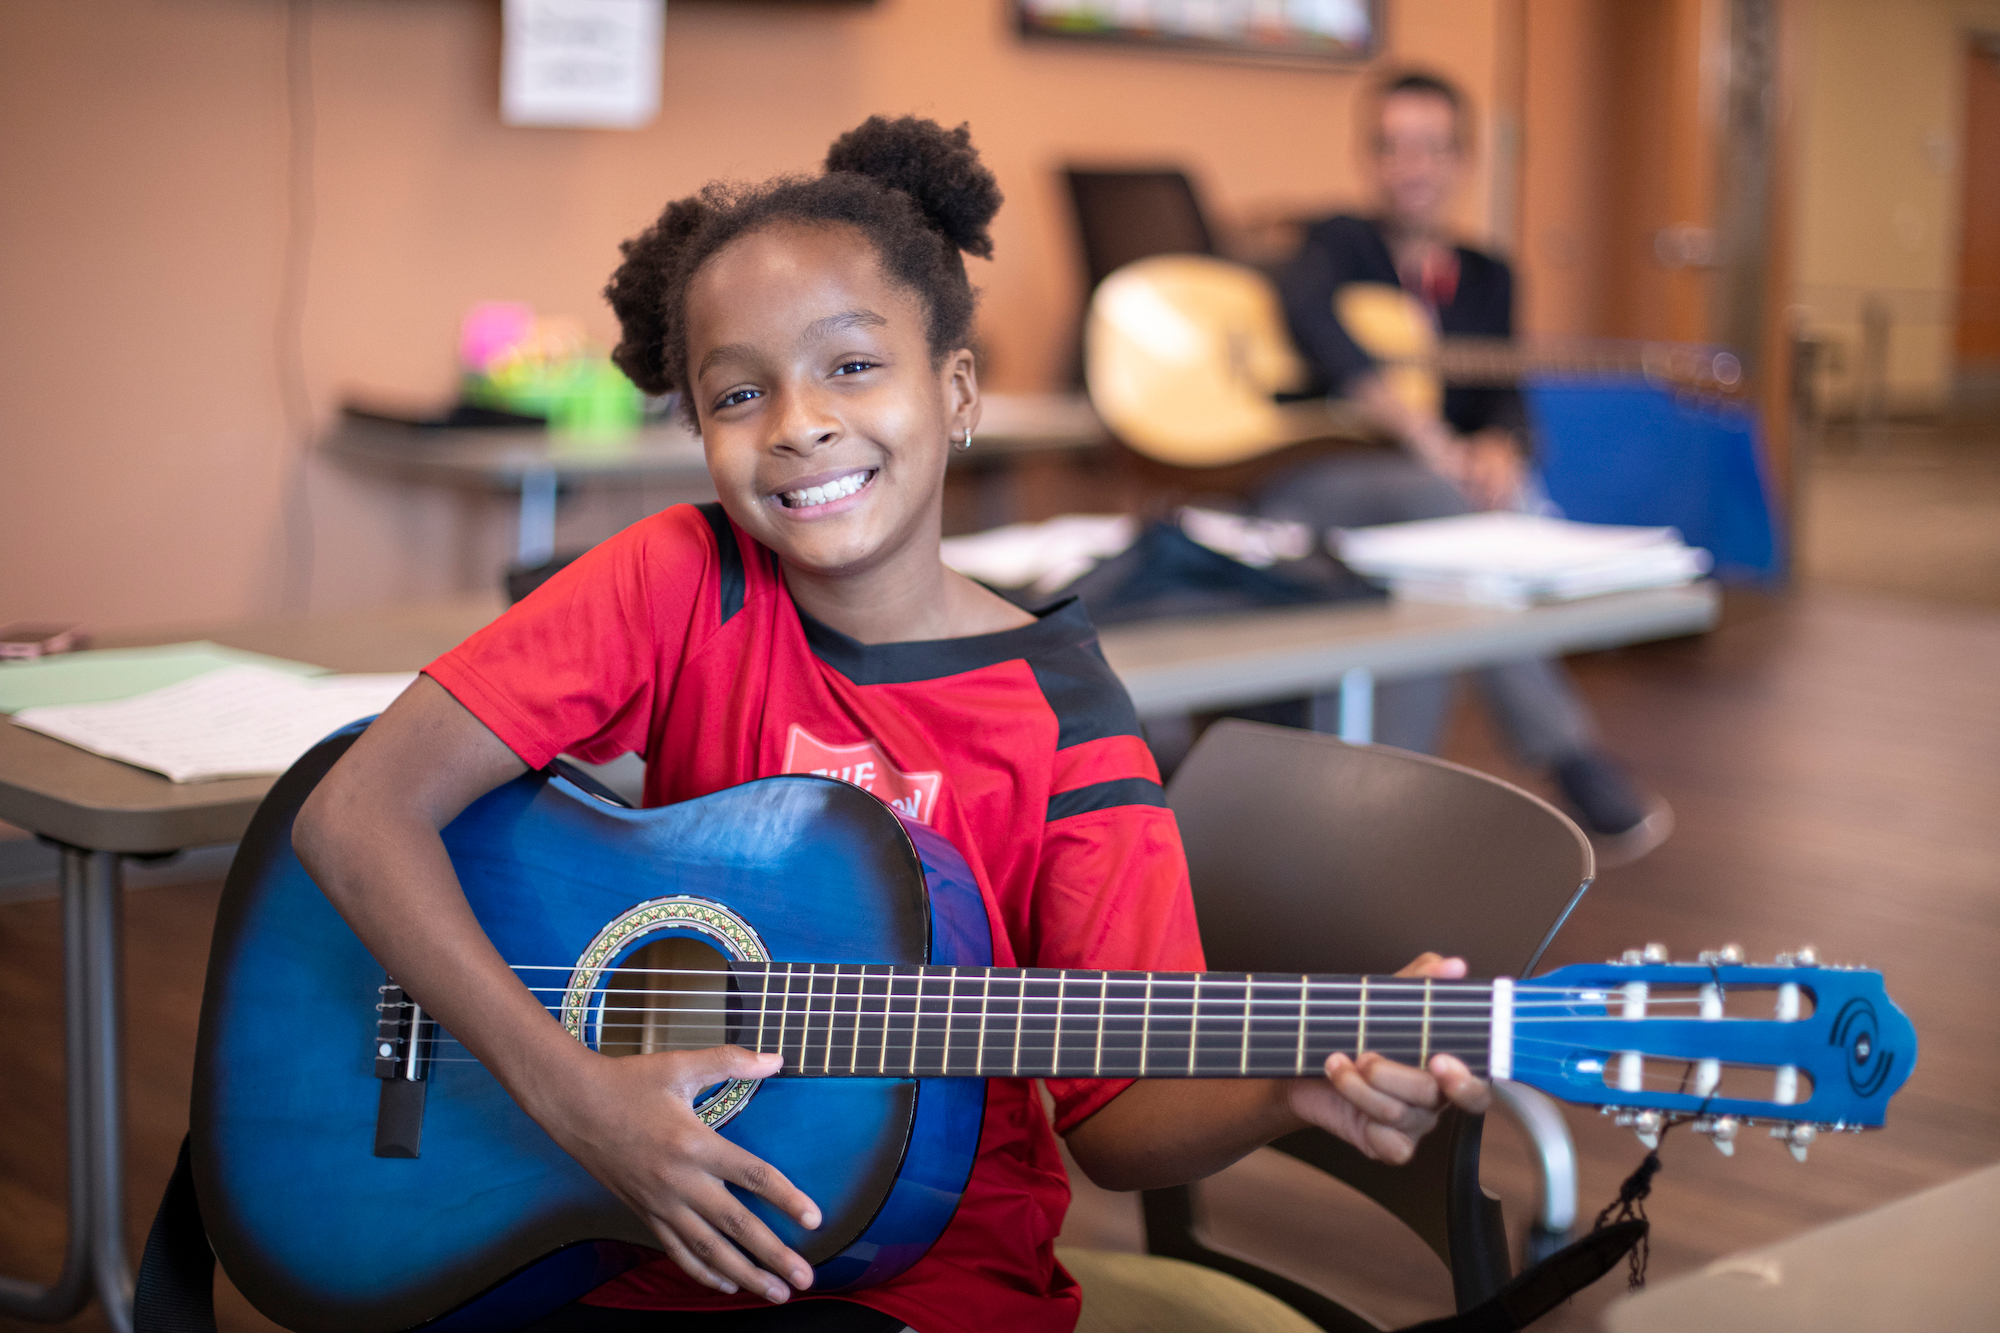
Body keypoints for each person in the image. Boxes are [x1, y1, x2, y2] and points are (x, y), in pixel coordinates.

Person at [291, 117, 1490, 1333]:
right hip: (599, 1222)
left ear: (954, 389)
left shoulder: (1064, 724)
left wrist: (1287, 1080)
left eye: (851, 366)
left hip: (919, 1271)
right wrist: (573, 1096)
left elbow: (1115, 1125)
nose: (798, 423)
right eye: (738, 392)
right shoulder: (679, 581)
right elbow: (356, 811)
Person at [1262, 71, 1672, 867]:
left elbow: (1504, 397)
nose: (1410, 165)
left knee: (1450, 540)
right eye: (1390, 146)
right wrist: (1423, 432)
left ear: (1462, 160)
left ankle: (1384, 815)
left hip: (1436, 502)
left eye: (1431, 146)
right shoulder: (1334, 244)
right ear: (1366, 158)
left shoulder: (1489, 275)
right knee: (1461, 512)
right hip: (1325, 482)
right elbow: (1314, 321)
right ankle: (1569, 754)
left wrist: (1500, 446)